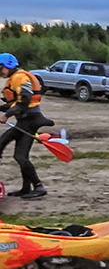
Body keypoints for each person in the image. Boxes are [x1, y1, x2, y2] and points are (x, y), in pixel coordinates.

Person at [0, 52, 53, 198]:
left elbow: (25, 100)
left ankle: (38, 187)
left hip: (30, 120)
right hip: (26, 120)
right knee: (18, 155)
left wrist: (6, 115)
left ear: (9, 66)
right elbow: (15, 103)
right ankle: (26, 188)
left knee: (19, 155)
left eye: (1, 68)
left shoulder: (19, 77)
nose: (0, 72)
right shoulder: (15, 77)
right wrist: (4, 109)